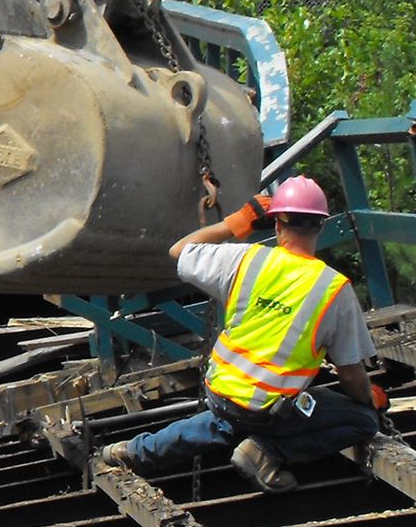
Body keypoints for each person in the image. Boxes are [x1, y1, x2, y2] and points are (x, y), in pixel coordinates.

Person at [102, 176, 384, 494]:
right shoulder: (334, 289)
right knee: (361, 420)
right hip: (266, 412)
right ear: (321, 225)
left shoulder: (245, 259)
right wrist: (367, 399)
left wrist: (237, 222)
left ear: (277, 223)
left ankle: (133, 451)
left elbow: (180, 250)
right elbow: (350, 373)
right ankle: (266, 452)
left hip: (220, 392)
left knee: (223, 421)